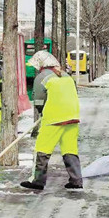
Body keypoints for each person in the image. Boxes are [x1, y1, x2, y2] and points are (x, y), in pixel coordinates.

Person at [21, 51, 82, 190]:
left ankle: (37, 180)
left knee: (42, 149)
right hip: (72, 116)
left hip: (53, 119)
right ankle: (76, 180)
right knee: (70, 149)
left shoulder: (42, 77)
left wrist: (42, 112)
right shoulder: (66, 76)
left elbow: (39, 100)